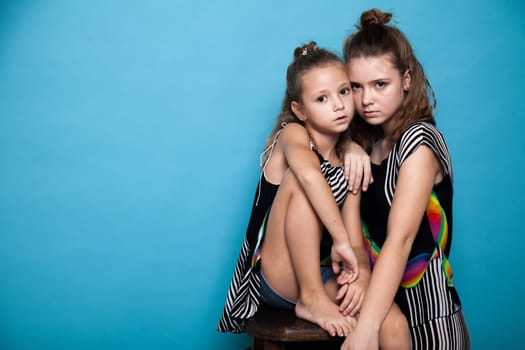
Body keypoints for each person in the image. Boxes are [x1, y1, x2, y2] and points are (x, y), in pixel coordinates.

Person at [218, 41, 410, 349]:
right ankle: (310, 298)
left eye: (344, 92)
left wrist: (360, 274)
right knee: (302, 181)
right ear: (300, 110)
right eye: (322, 98)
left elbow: (355, 241)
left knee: (390, 318)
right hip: (277, 274)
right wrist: (341, 243)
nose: (338, 105)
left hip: (321, 271)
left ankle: (321, 295)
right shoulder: (292, 135)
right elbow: (309, 176)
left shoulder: (348, 161)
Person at [340, 8, 471, 349]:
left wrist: (366, 328)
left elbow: (400, 239)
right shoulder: (369, 146)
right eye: (356, 87)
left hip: (430, 321)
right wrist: (348, 144)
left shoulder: (419, 140)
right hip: (388, 317)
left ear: (407, 80)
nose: (366, 99)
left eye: (380, 84)